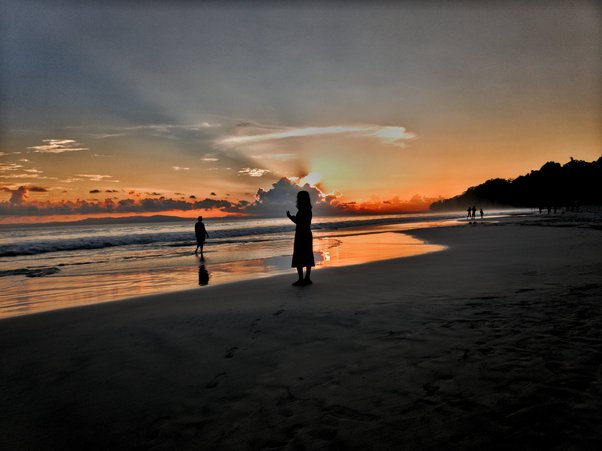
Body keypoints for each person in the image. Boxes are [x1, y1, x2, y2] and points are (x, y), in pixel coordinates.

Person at [286, 190, 315, 286]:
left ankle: (301, 279)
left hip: (301, 234)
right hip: (307, 233)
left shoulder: (302, 210)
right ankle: (307, 278)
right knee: (307, 255)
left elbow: (299, 222)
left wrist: (290, 217)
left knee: (299, 256)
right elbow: (304, 222)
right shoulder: (308, 209)